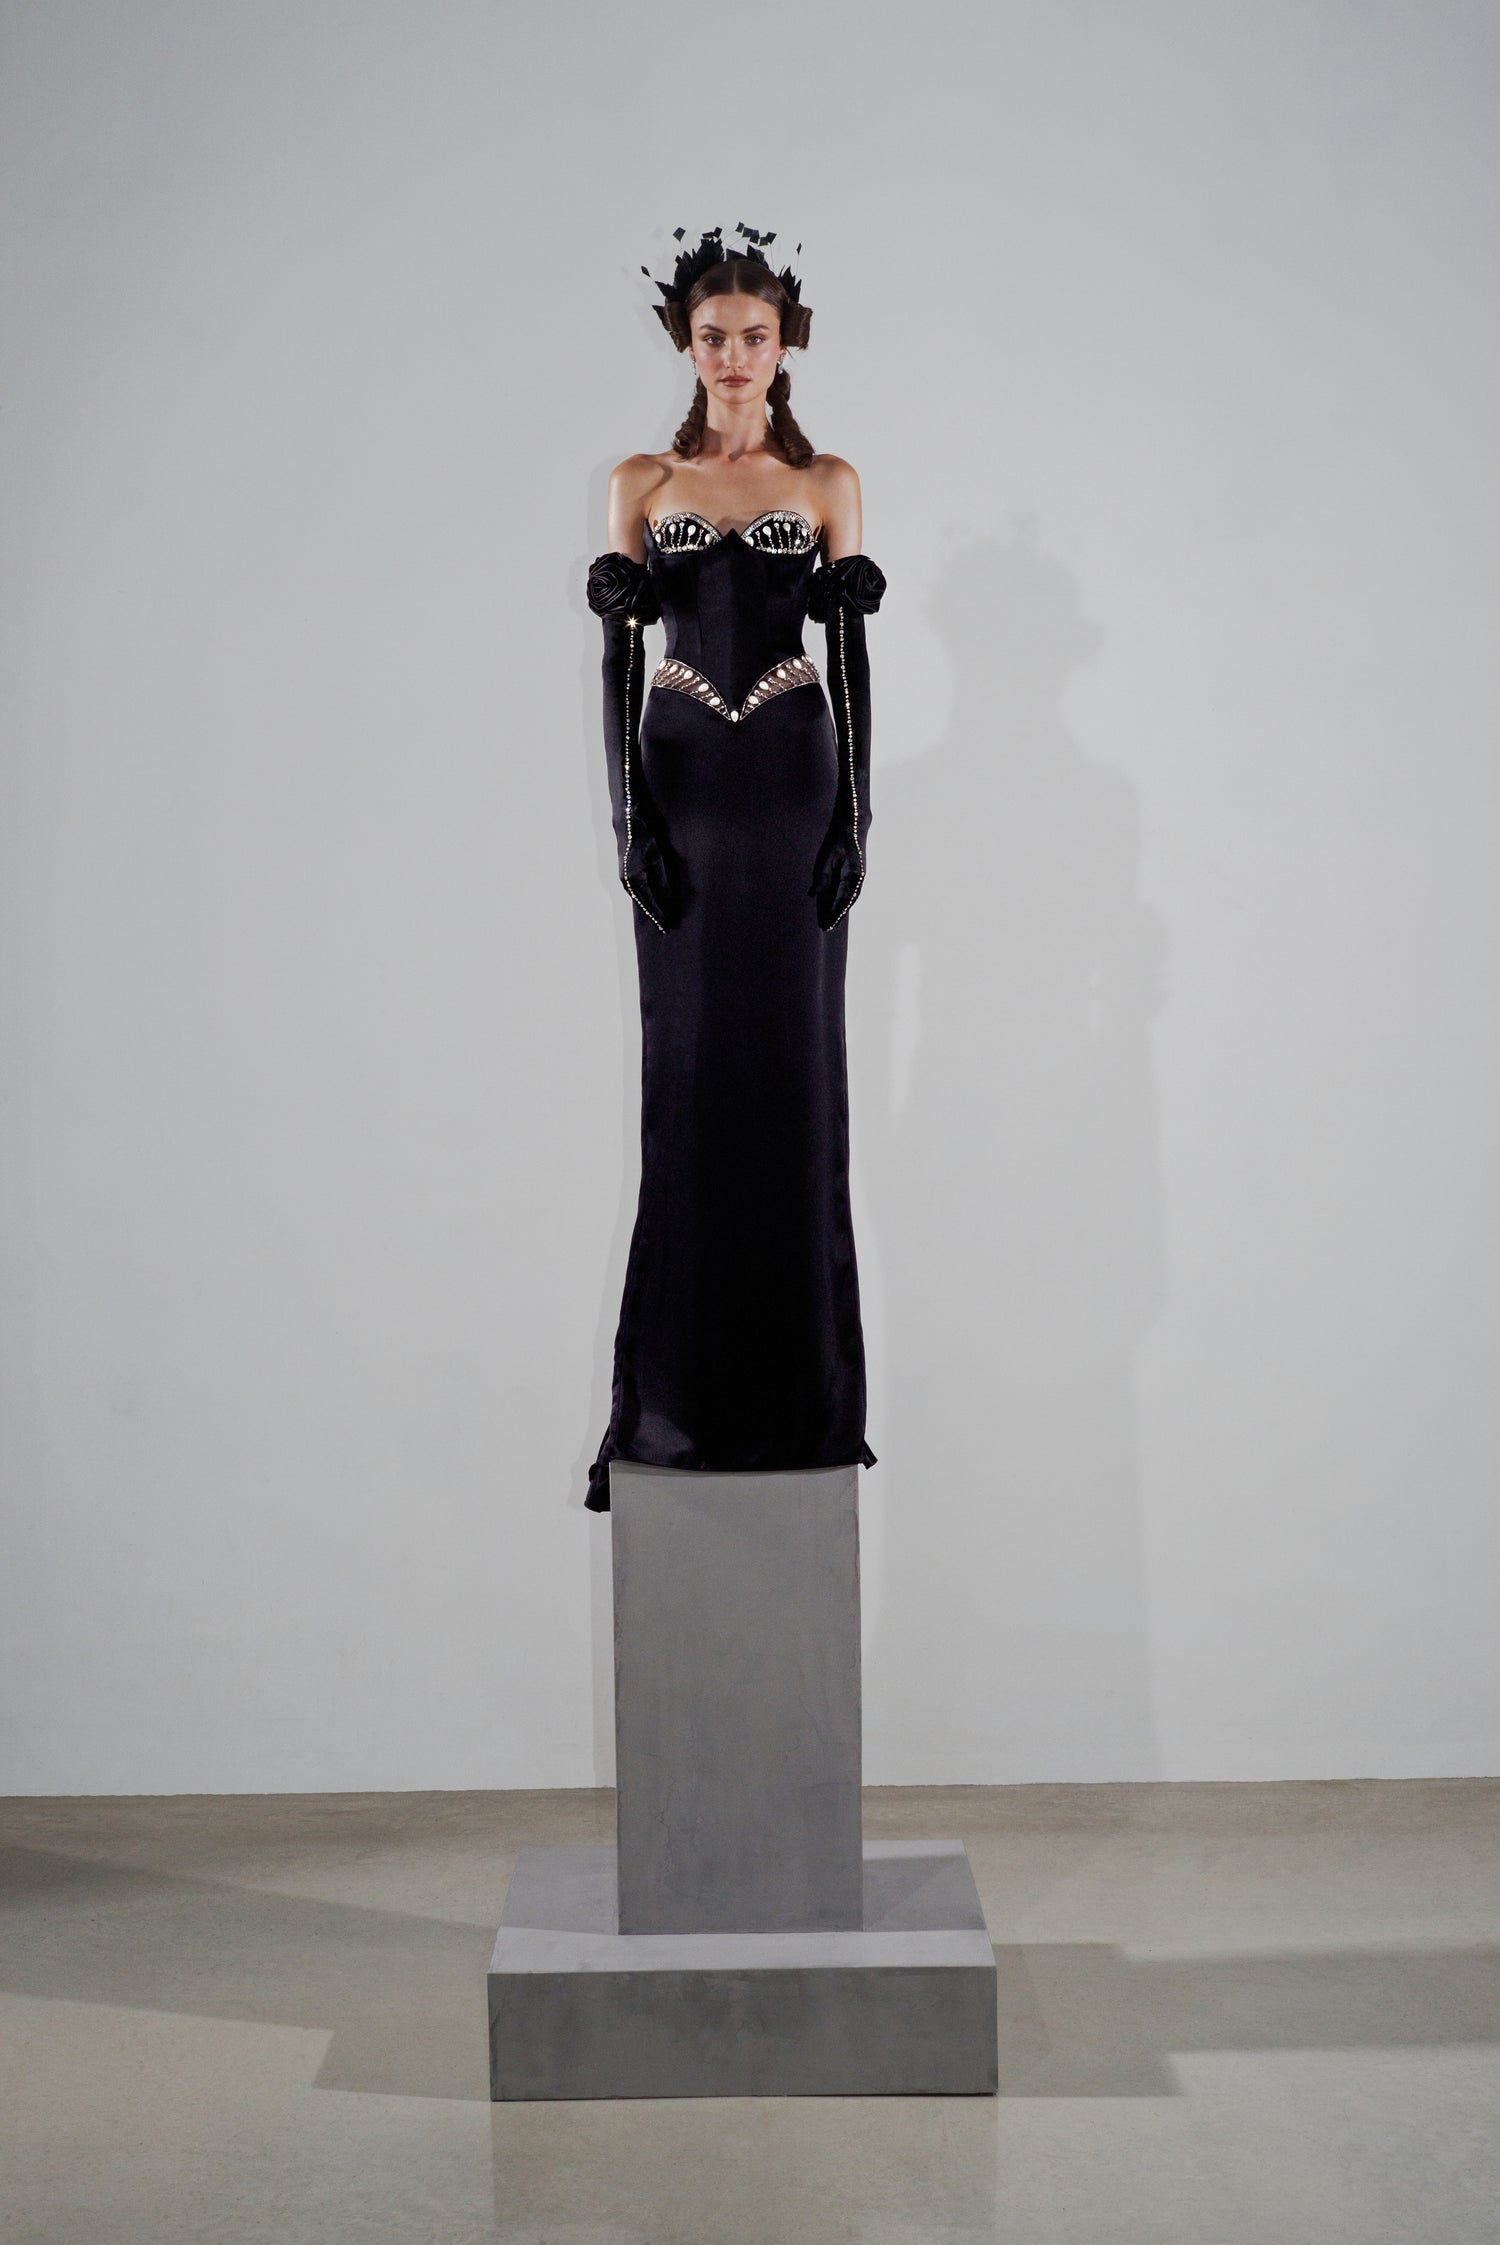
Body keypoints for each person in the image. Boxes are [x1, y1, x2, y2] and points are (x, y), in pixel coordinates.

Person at [583, 223, 887, 1513]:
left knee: (797, 1067)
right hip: (688, 787)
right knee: (690, 1067)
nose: (733, 357)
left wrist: (858, 819)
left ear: (782, 346)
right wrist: (630, 824)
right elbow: (615, 667)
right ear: (687, 344)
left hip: (792, 785)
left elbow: (855, 666)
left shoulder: (827, 485)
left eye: (753, 337)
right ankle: (679, 1402)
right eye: (713, 337)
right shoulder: (640, 482)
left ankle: (801, 1400)